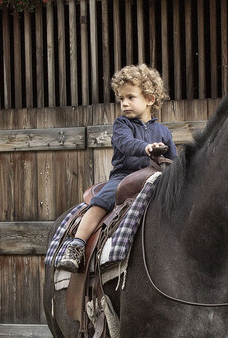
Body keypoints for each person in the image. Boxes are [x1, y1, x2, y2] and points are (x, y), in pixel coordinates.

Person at [55, 64, 176, 272]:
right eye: (121, 99)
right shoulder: (122, 125)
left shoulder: (163, 132)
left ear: (150, 99)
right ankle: (76, 246)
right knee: (102, 200)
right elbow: (125, 143)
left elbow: (174, 160)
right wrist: (146, 147)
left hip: (154, 178)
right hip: (125, 177)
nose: (124, 104)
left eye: (130, 97)